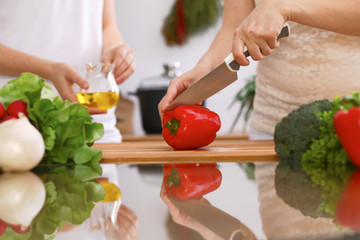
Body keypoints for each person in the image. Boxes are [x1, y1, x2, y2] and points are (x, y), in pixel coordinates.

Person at [158, 0, 360, 239]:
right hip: (271, 136)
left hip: (352, 135)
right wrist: (202, 71)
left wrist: (287, 8)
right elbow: (235, 26)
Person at [0, 0, 135, 143]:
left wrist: (113, 48)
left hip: (96, 131)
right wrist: (48, 70)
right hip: (16, 129)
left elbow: (107, 26)